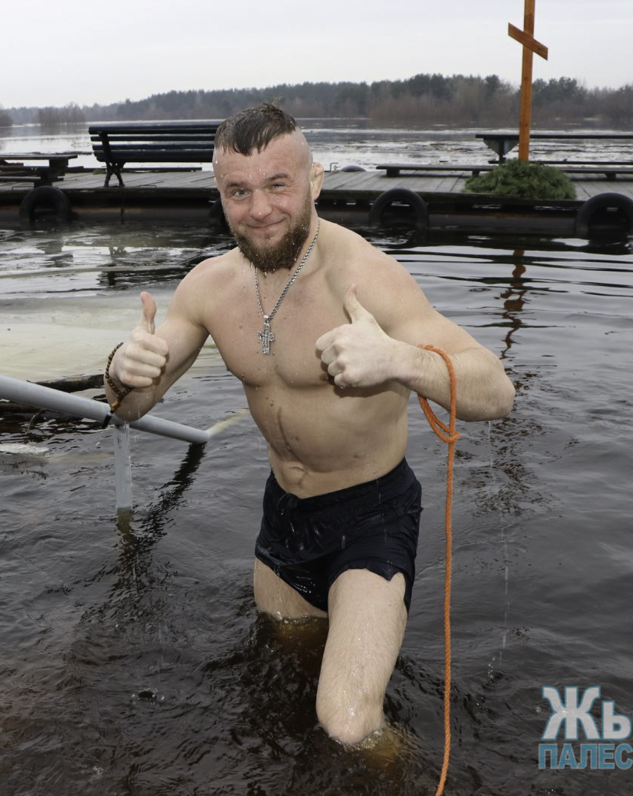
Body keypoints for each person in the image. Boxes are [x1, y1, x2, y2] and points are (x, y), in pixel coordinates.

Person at [104, 103, 515, 747]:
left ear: (315, 181)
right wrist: (122, 371)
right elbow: (130, 408)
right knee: (285, 666)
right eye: (239, 190)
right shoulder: (208, 287)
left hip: (371, 514)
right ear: (220, 194)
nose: (260, 208)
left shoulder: (365, 279)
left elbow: (497, 390)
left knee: (346, 724)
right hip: (283, 515)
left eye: (278, 184)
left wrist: (401, 361)